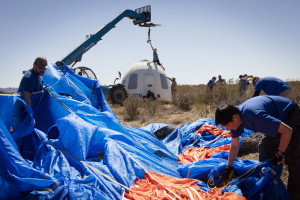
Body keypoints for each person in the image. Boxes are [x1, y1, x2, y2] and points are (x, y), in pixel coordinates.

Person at [215, 96, 300, 199]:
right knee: (265, 149)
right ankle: (268, 184)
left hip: (291, 115)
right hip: (277, 120)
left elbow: (287, 131)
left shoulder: (252, 116)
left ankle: (294, 195)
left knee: (293, 158)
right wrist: (229, 167)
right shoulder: (234, 118)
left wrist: (279, 153)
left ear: (234, 118)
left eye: (226, 125)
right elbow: (235, 145)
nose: (226, 128)